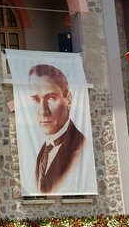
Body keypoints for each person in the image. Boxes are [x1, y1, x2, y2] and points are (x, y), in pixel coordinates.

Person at [28, 64, 86, 194]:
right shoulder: (42, 153)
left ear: (68, 100)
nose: (43, 111)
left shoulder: (81, 147)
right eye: (36, 99)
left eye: (51, 98)